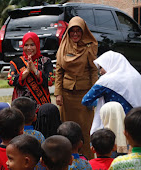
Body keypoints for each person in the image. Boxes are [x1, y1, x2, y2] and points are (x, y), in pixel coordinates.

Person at [54, 16, 98, 159]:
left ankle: (87, 157)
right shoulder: (64, 45)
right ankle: (67, 156)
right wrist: (58, 94)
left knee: (86, 128)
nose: (75, 34)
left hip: (85, 94)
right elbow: (59, 71)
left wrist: (94, 93)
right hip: (67, 94)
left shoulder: (90, 46)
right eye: (72, 31)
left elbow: (93, 70)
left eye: (78, 31)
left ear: (83, 31)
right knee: (67, 127)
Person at [82, 50, 141, 135]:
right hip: (135, 121)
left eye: (101, 67)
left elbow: (86, 100)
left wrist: (97, 103)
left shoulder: (106, 81)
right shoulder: (136, 76)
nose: (100, 72)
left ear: (110, 64)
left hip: (113, 124)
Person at [7, 32, 54, 111]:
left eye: (32, 45)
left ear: (37, 45)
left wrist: (35, 70)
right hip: (21, 105)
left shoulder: (46, 61)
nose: (29, 48)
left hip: (41, 105)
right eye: (26, 45)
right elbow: (11, 80)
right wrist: (27, 71)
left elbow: (50, 81)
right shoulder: (16, 62)